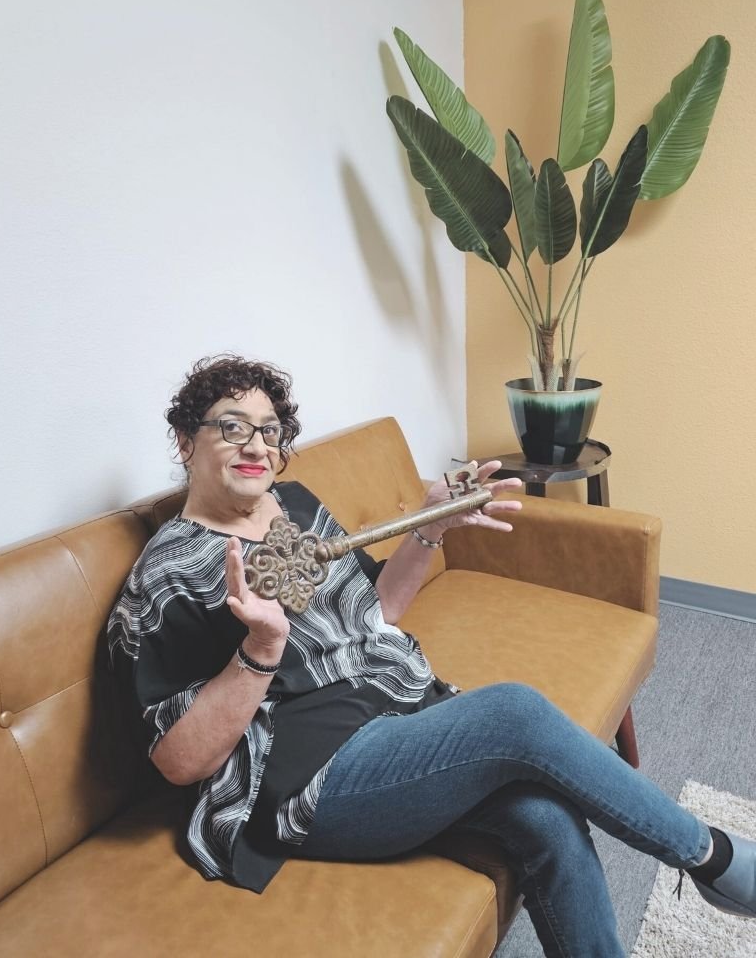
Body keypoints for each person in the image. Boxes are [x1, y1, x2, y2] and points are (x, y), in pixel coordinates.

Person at [108, 354, 756, 958]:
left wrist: (428, 528)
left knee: (548, 820)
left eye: (268, 430)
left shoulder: (291, 508)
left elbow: (377, 613)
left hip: (398, 721)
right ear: (186, 441)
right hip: (306, 780)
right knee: (513, 712)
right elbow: (181, 762)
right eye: (231, 427)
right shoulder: (167, 578)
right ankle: (713, 858)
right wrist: (260, 649)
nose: (255, 444)